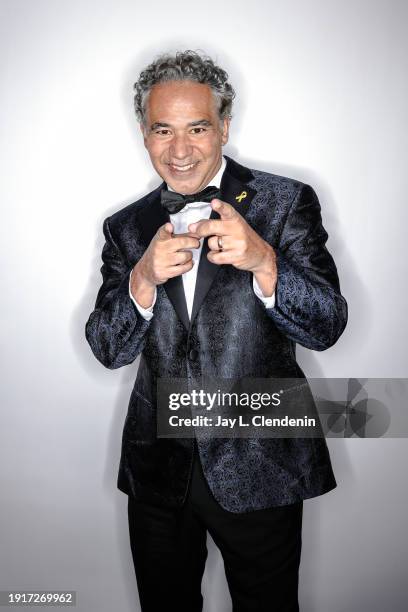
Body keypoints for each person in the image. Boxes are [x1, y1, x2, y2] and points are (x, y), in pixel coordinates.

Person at [85, 50, 348, 612]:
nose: (180, 151)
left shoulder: (283, 202)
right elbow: (107, 348)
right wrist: (141, 279)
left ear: (224, 126)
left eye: (197, 128)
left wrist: (264, 262)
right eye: (163, 131)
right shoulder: (126, 226)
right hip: (159, 473)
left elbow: (327, 326)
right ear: (145, 134)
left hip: (262, 465)